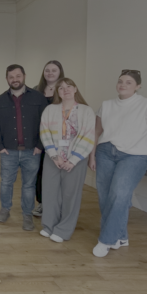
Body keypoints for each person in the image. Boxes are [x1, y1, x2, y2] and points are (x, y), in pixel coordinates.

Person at [90, 70, 147, 257]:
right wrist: (92, 155)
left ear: (138, 86)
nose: (123, 85)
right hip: (105, 153)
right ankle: (121, 236)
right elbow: (96, 132)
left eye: (129, 82)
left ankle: (106, 240)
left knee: (119, 193)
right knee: (106, 196)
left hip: (134, 156)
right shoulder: (106, 105)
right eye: (120, 81)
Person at [39, 78, 95, 243]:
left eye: (68, 87)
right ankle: (49, 226)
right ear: (57, 92)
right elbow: (45, 132)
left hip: (76, 160)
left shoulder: (86, 111)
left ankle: (63, 229)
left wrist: (73, 159)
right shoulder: (50, 109)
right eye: (61, 88)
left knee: (71, 195)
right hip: (53, 158)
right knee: (50, 194)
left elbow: (89, 136)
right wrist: (54, 156)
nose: (65, 90)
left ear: (75, 89)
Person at [0, 64, 49, 231]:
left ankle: (27, 214)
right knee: (6, 183)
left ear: (24, 76)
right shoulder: (0, 100)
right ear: (6, 79)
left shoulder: (38, 98)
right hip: (8, 151)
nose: (15, 79)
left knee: (28, 185)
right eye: (11, 77)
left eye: (18, 76)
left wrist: (40, 146)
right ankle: (5, 209)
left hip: (32, 150)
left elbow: (45, 124)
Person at [34, 60, 65, 217]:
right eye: (47, 70)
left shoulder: (64, 90)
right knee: (39, 171)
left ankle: (56, 204)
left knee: (56, 172)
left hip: (58, 140)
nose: (50, 73)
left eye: (54, 70)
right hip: (39, 139)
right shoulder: (35, 91)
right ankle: (42, 203)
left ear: (60, 72)